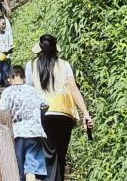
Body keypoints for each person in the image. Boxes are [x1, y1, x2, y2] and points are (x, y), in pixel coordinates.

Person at [27, 33, 92, 181]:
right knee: (60, 155)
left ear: (39, 48)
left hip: (44, 114)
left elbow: (28, 92)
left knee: (49, 156)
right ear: (56, 48)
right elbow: (74, 90)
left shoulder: (31, 65)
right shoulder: (65, 65)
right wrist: (85, 113)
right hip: (64, 114)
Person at [0, 63, 49, 179]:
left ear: (9, 79)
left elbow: (1, 111)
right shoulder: (33, 91)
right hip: (34, 132)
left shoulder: (8, 92)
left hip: (17, 133)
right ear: (24, 78)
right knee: (31, 168)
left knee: (18, 167)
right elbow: (45, 104)